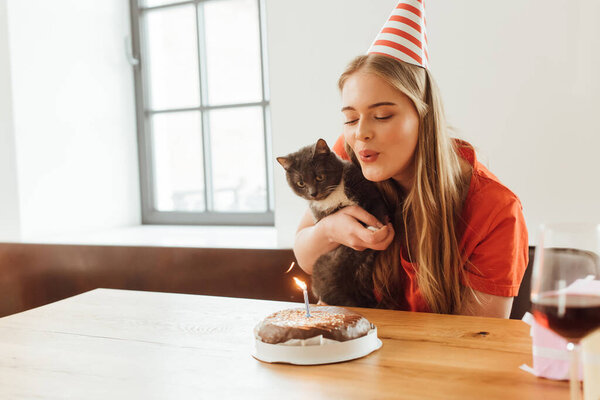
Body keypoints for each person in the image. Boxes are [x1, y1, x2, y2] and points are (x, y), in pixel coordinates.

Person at [293, 1, 528, 318]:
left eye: (382, 115)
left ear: (424, 116)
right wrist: (330, 230)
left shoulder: (496, 211)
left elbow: (477, 344)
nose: (361, 133)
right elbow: (305, 257)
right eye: (350, 120)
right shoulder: (348, 158)